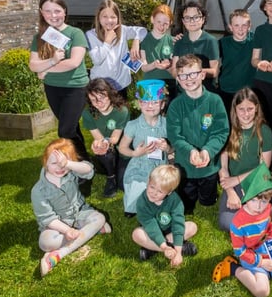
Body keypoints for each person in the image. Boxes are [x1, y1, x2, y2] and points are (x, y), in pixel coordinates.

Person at [212, 162, 272, 297]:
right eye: (254, 200)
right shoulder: (238, 222)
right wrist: (261, 262)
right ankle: (233, 268)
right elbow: (240, 251)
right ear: (244, 193)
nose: (259, 206)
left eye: (264, 201)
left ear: (270, 197)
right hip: (253, 256)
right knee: (261, 291)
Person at [31, 138, 112, 277]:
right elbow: (48, 218)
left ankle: (58, 255)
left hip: (80, 213)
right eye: (54, 163)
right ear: (45, 162)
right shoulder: (38, 190)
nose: (60, 168)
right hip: (58, 225)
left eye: (63, 163)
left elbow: (89, 170)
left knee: (100, 217)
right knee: (45, 243)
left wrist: (69, 164)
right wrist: (67, 230)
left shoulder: (70, 171)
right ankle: (90, 231)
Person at [29, 0, 89, 159]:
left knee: (65, 130)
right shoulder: (40, 37)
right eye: (47, 11)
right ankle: (83, 161)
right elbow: (33, 65)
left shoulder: (75, 33)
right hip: (53, 88)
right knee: (72, 128)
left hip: (75, 88)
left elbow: (73, 63)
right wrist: (52, 61)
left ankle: (82, 163)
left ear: (64, 11)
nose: (53, 15)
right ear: (41, 13)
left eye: (57, 11)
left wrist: (45, 69)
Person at [166, 54, 229, 214]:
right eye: (183, 76)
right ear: (178, 79)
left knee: (207, 202)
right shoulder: (175, 105)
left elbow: (221, 131)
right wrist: (191, 151)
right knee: (187, 206)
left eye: (193, 73)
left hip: (210, 165)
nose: (189, 79)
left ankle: (209, 195)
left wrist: (208, 150)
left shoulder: (215, 101)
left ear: (202, 75)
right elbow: (174, 135)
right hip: (185, 165)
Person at [218, 88, 272, 232]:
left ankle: (258, 208)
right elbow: (223, 167)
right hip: (233, 183)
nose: (246, 113)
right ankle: (248, 213)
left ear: (256, 108)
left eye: (250, 109)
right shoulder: (228, 130)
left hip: (256, 179)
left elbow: (264, 167)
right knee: (226, 223)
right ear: (235, 109)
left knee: (264, 217)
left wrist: (237, 179)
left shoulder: (264, 131)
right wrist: (231, 192)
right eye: (241, 109)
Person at [117, 79, 170, 218]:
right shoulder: (133, 125)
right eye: (145, 102)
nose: (150, 106)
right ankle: (133, 207)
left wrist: (167, 148)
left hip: (160, 167)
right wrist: (135, 153)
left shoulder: (167, 124)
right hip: (139, 165)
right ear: (139, 103)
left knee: (159, 191)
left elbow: (173, 150)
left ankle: (154, 208)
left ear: (162, 104)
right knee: (137, 187)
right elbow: (122, 147)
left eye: (155, 102)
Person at [131, 164, 198, 265]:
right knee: (136, 234)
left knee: (192, 227)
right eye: (152, 187)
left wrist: (178, 252)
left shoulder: (176, 201)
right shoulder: (142, 202)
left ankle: (152, 249)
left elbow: (178, 224)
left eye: (160, 191)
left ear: (169, 192)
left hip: (170, 229)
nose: (154, 193)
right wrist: (164, 247)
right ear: (148, 181)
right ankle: (168, 248)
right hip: (151, 231)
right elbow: (150, 225)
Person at [86, 0, 147, 99]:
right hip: (100, 86)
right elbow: (97, 60)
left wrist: (136, 41)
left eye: (113, 17)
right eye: (105, 16)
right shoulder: (91, 35)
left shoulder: (123, 30)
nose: (109, 21)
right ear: (98, 17)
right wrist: (107, 42)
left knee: (121, 113)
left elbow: (142, 31)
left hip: (121, 84)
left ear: (118, 18)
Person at [81, 78, 130, 198]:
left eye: (102, 97)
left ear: (110, 94)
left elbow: (115, 138)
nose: (98, 103)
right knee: (103, 151)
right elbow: (98, 137)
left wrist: (106, 141)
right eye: (94, 100)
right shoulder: (88, 113)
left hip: (123, 147)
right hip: (108, 149)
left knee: (123, 185)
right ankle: (110, 177)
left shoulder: (121, 111)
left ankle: (112, 167)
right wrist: (99, 144)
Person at [172, 1, 220, 94]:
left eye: (196, 17)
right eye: (187, 18)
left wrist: (193, 72)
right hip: (183, 93)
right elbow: (174, 70)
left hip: (205, 92)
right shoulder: (179, 42)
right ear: (183, 21)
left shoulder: (210, 41)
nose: (192, 21)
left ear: (203, 19)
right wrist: (183, 74)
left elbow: (214, 71)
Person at [218, 9, 256, 113]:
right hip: (226, 90)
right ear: (230, 27)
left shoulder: (255, 40)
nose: (240, 29)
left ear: (249, 26)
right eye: (236, 25)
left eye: (244, 25)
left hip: (248, 91)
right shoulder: (222, 43)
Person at [140, 4, 177, 97]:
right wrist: (154, 65)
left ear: (170, 22)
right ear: (152, 19)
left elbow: (176, 70)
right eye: (158, 22)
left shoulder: (173, 41)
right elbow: (143, 67)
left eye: (165, 23)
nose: (161, 26)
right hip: (149, 83)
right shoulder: (143, 40)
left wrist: (168, 67)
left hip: (169, 83)